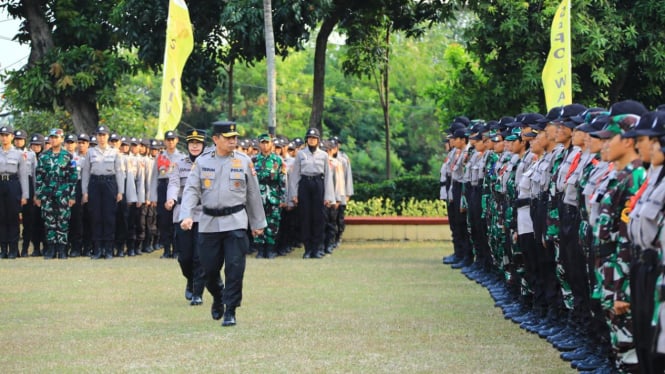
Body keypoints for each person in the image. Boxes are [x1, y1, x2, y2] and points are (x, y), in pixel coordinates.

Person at [179, 121, 266, 327]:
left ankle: (231, 309)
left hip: (235, 222)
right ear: (216, 139)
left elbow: (253, 194)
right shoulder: (202, 162)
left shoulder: (244, 161)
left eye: (235, 137)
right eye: (228, 138)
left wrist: (257, 222)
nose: (233, 141)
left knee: (235, 268)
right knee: (209, 270)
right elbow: (192, 190)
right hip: (208, 223)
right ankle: (218, 296)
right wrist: (186, 215)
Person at [167, 129, 206, 305]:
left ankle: (198, 292)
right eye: (192, 143)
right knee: (184, 257)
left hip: (203, 214)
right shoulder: (179, 164)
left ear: (203, 145)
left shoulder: (209, 164)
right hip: (183, 213)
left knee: (200, 256)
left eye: (198, 143)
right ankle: (190, 281)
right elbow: (174, 183)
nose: (195, 146)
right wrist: (171, 198)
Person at [288, 128, 335, 259]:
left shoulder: (324, 155)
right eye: (309, 138)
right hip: (305, 184)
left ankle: (318, 248)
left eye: (314, 138)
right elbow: (295, 175)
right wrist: (294, 194)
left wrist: (328, 196)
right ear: (306, 140)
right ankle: (308, 249)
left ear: (318, 140)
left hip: (318, 184)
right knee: (305, 217)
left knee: (319, 218)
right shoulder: (300, 154)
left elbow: (328, 177)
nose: (312, 140)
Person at [81, 125, 124, 260]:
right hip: (94, 183)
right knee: (96, 217)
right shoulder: (90, 152)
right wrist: (85, 191)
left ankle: (109, 249)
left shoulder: (115, 152)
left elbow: (119, 172)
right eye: (99, 135)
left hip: (110, 183)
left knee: (109, 217)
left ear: (108, 136)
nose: (101, 137)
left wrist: (120, 191)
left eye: (104, 135)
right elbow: (86, 172)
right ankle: (98, 249)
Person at [34, 129, 78, 259]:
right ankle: (51, 249)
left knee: (63, 222)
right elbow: (39, 177)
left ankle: (62, 249)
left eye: (56, 137)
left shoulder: (68, 156)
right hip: (47, 193)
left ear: (61, 139)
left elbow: (73, 177)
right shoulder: (43, 156)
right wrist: (39, 195)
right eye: (51, 137)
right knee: (49, 222)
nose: (53, 140)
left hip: (63, 192)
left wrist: (72, 195)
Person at [252, 133, 287, 259]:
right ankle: (260, 250)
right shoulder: (254, 160)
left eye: (267, 142)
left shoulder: (278, 160)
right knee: (259, 222)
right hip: (258, 196)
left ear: (271, 144)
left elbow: (282, 180)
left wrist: (283, 198)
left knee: (273, 222)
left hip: (273, 195)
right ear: (259, 144)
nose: (265, 145)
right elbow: (250, 181)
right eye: (263, 142)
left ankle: (270, 249)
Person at [151, 131, 182, 258]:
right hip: (163, 187)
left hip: (176, 189)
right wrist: (153, 197)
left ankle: (176, 250)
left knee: (175, 221)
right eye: (168, 139)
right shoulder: (160, 157)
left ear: (177, 140)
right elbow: (153, 178)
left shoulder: (181, 157)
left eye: (172, 139)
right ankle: (166, 250)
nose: (170, 142)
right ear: (165, 141)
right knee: (164, 221)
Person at [0, 125, 29, 259]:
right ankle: (3, 249)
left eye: (7, 135)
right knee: (1, 217)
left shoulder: (18, 154)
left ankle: (13, 249)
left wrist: (25, 195)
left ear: (12, 137)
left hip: (13, 184)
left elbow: (23, 175)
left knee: (12, 217)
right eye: (2, 135)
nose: (4, 138)